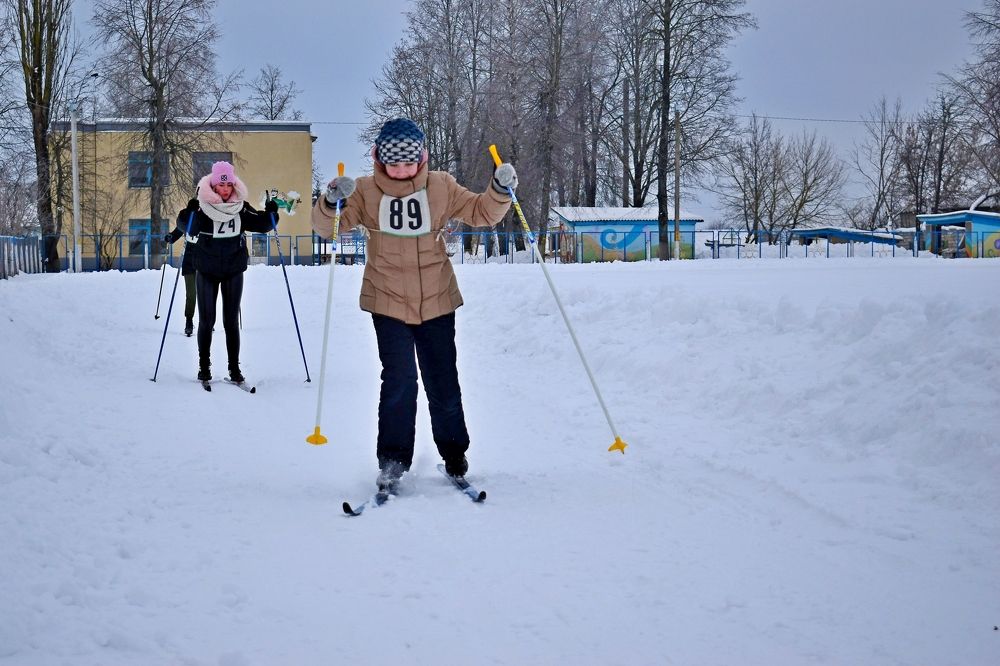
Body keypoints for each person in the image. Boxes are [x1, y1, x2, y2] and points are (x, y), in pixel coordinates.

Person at [310, 117, 517, 492]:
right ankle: (392, 460)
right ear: (378, 158)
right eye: (393, 163)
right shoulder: (365, 190)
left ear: (421, 157)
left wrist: (500, 190)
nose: (402, 170)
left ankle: (455, 454)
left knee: (443, 378)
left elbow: (482, 213)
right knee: (399, 379)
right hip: (387, 299)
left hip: (437, 299)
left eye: (408, 162)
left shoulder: (441, 185)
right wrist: (329, 201)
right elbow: (328, 228)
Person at [168, 161, 279, 383]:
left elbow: (262, 224)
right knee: (207, 321)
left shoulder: (241, 206)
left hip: (233, 270)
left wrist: (272, 213)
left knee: (231, 321)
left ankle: (234, 368)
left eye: (229, 184)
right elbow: (186, 226)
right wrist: (188, 211)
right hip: (206, 270)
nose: (225, 189)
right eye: (221, 184)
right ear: (214, 186)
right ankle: (204, 366)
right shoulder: (203, 207)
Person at [163, 215, 198, 336]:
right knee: (191, 294)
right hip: (189, 262)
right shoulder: (189, 217)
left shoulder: (210, 217)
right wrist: (170, 237)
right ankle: (189, 321)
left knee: (208, 294)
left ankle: (208, 321)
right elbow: (178, 231)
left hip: (206, 262)